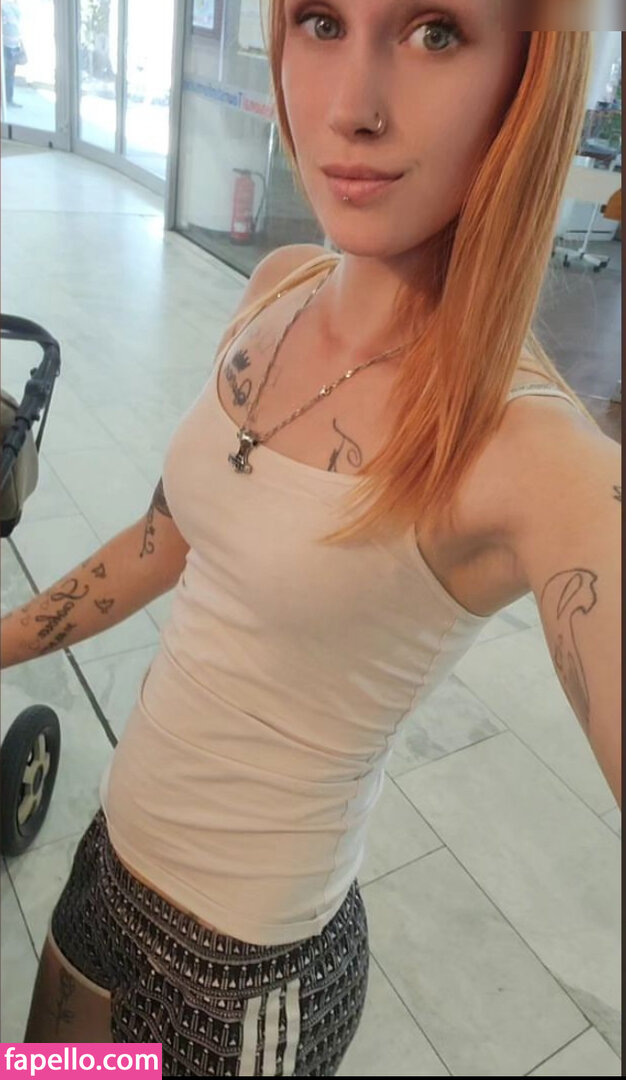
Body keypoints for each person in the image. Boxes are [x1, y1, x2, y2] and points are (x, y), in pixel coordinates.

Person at [1, 1, 620, 1075]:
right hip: (109, 862)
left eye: (435, 32)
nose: (351, 107)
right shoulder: (277, 286)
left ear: (530, 73)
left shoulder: (532, 452)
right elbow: (167, 541)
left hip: (238, 989)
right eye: (323, 21)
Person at [2, 0, 24, 107]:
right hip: (5, 45)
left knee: (10, 74)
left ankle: (8, 99)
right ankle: (6, 100)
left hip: (13, 44)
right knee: (6, 74)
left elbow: (17, 25)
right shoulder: (3, 6)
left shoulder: (15, 5)